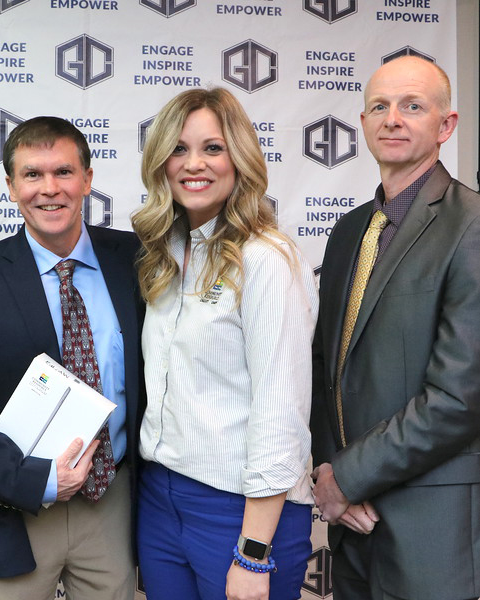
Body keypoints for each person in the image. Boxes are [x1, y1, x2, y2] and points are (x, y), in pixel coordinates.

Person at [0, 116, 143, 600]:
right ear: (10, 185)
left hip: (113, 503)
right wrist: (31, 480)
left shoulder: (135, 259)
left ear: (87, 179)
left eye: (63, 172)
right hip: (16, 511)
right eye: (32, 175)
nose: (50, 190)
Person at [131, 87, 317, 600]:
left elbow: (281, 412)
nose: (195, 164)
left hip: (239, 513)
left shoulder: (266, 260)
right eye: (179, 149)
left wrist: (252, 551)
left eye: (212, 148)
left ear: (239, 158)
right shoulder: (164, 254)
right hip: (160, 499)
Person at [310, 55, 480, 600]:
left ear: (446, 125)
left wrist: (347, 478)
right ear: (362, 123)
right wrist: (327, 470)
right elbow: (326, 369)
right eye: (379, 107)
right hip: (353, 526)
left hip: (432, 528)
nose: (393, 119)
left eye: (412, 106)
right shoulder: (348, 232)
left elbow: (459, 397)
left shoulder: (472, 226)